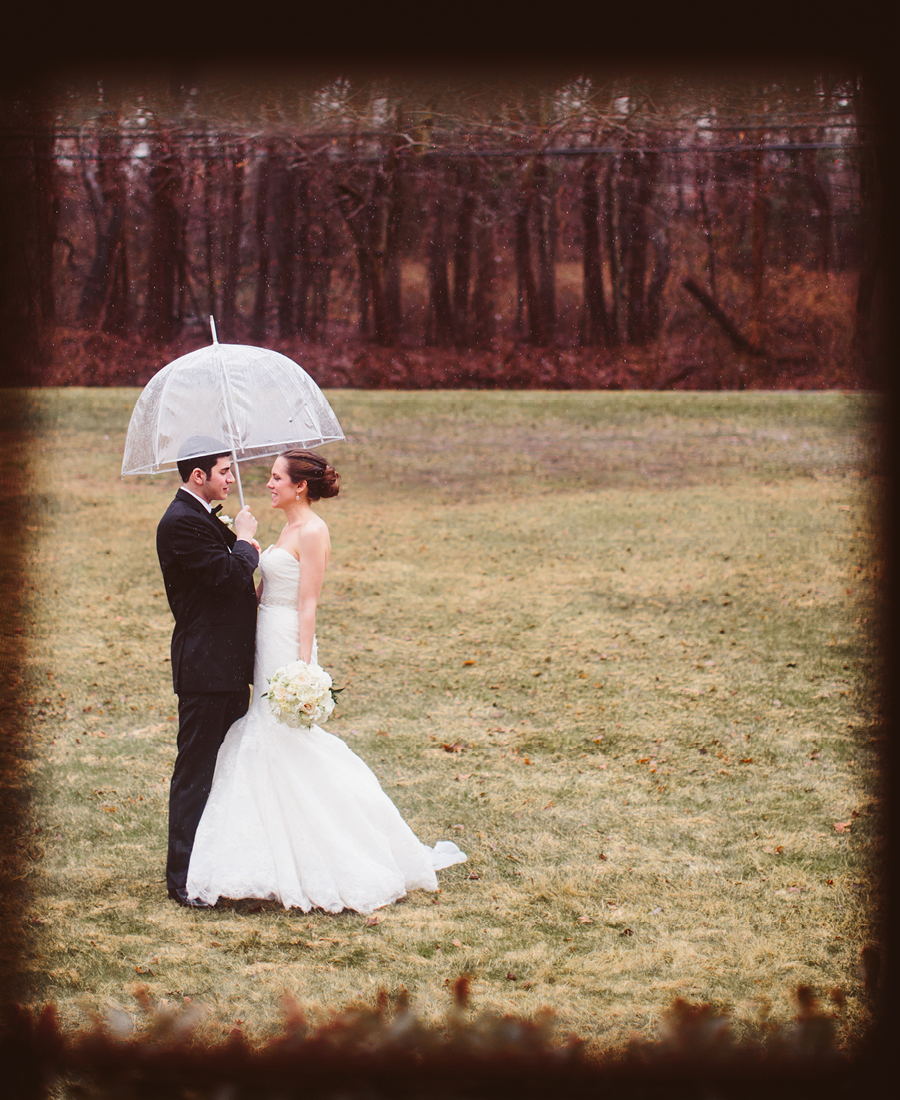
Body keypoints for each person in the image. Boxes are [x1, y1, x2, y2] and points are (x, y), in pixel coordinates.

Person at [186, 449, 466, 913]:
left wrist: (303, 666)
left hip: (288, 642)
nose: (269, 484)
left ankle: (338, 850)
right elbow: (263, 590)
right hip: (265, 636)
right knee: (266, 735)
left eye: (276, 478)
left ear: (300, 486)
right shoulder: (285, 528)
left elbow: (308, 602)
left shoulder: (314, 531)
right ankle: (266, 859)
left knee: (288, 739)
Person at [156, 436, 260, 908]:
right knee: (196, 772)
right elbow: (227, 575)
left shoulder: (200, 516)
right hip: (206, 667)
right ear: (198, 476)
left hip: (228, 666)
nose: (231, 478)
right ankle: (182, 878)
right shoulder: (180, 522)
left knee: (226, 769)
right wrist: (245, 541)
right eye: (224, 471)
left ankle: (216, 866)